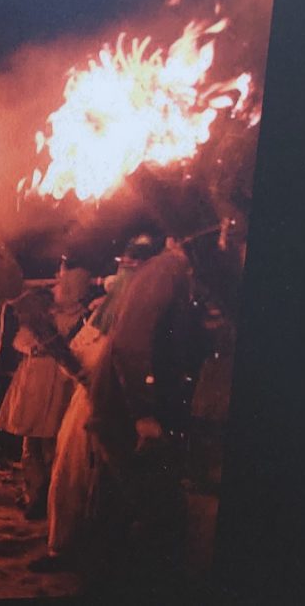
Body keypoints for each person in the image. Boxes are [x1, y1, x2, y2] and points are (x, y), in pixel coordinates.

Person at [30, 235, 157, 573]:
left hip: (115, 409)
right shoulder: (102, 311)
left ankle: (101, 555)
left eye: (132, 266)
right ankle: (63, 548)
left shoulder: (139, 313)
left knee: (106, 485)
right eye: (123, 265)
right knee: (68, 475)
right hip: (84, 404)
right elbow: (78, 359)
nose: (124, 272)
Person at [84, 237, 203, 583]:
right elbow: (130, 345)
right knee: (161, 515)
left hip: (124, 412)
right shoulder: (166, 271)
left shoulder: (171, 273)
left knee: (115, 514)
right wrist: (144, 413)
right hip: (127, 417)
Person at [0, 263, 87, 521]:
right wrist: (32, 347)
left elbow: (75, 350)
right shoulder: (43, 314)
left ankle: (49, 499)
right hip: (32, 382)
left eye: (61, 284)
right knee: (30, 445)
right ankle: (34, 495)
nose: (56, 288)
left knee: (51, 445)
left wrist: (47, 347)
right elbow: (20, 340)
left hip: (56, 383)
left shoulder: (81, 319)